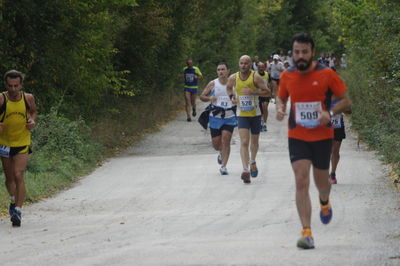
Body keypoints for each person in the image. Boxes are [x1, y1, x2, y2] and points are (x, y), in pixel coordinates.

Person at [276, 33, 351, 249]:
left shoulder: (327, 74)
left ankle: (325, 202)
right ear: (292, 53)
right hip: (297, 136)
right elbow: (281, 96)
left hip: (322, 137)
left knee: (321, 183)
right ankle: (307, 233)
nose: (300, 56)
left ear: (312, 53)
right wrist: (281, 108)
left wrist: (329, 111)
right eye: (296, 52)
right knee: (301, 180)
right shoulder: (287, 75)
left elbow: (346, 101)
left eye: (304, 52)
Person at [0, 70, 37, 227]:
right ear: (6, 85)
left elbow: (33, 112)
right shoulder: (1, 99)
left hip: (22, 142)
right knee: (9, 179)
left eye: (16, 86)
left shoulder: (28, 98)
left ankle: (18, 211)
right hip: (5, 144)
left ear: (21, 85)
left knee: (18, 174)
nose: (13, 89)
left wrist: (32, 121)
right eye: (10, 86)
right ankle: (13, 201)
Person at [226, 55, 271, 184]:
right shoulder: (234, 77)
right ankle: (245, 170)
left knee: (254, 142)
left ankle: (252, 161)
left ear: (250, 64)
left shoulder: (255, 77)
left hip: (255, 114)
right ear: (238, 64)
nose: (243, 65)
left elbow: (267, 92)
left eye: (246, 63)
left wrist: (254, 93)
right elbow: (229, 87)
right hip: (242, 114)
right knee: (244, 141)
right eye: (241, 63)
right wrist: (232, 97)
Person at [199, 63, 236, 175]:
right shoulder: (213, 83)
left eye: (223, 69)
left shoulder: (234, 83)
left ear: (228, 71)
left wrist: (236, 100)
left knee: (226, 140)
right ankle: (220, 152)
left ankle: (224, 166)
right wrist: (209, 98)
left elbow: (241, 95)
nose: (221, 72)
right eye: (219, 70)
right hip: (215, 117)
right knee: (216, 145)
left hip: (229, 116)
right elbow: (201, 96)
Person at [329, 96, 347, 184]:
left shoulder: (340, 96)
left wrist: (343, 107)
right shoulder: (321, 94)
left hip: (338, 126)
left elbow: (349, 111)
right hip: (325, 127)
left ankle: (332, 174)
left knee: (335, 151)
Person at [255, 62, 271, 132]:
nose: (261, 68)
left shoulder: (267, 74)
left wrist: (271, 93)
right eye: (259, 67)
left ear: (264, 68)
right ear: (257, 68)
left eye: (262, 67)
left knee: (265, 106)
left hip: (265, 94)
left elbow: (269, 84)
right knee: (259, 109)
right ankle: (260, 123)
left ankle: (264, 123)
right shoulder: (254, 75)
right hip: (258, 94)